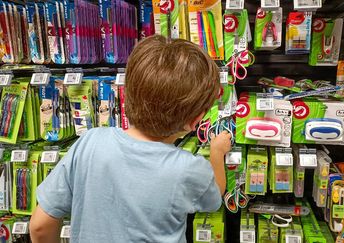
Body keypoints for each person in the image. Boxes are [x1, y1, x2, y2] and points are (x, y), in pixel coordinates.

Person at [29, 35, 231, 243]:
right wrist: (216, 152)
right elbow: (215, 198)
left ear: (127, 92)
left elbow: (40, 226)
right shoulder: (188, 168)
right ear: (195, 120)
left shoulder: (90, 142)